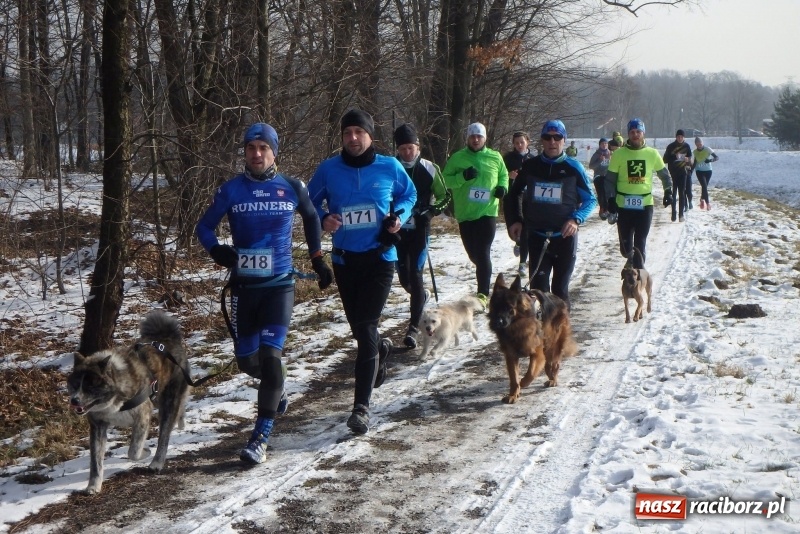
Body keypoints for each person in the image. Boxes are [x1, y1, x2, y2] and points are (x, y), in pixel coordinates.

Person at [196, 122, 334, 464]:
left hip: (279, 287)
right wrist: (217, 251)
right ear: (244, 152)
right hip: (245, 288)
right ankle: (277, 385)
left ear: (274, 152)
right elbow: (203, 226)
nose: (257, 154)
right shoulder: (231, 190)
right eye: (251, 148)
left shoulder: (291, 186)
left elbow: (312, 217)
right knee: (247, 362)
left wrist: (318, 260)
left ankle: (260, 437)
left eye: (264, 148)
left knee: (271, 359)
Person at [307, 110, 416, 435]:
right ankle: (380, 348)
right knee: (363, 333)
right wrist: (324, 217)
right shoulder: (329, 169)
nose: (353, 138)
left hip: (381, 258)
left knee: (366, 325)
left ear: (371, 135)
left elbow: (409, 194)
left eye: (359, 132)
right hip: (345, 262)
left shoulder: (389, 166)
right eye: (347, 132)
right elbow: (308, 204)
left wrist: (399, 214)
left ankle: (361, 408)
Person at [504, 120, 596, 310]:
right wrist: (516, 220)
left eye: (557, 138)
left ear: (564, 140)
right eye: (547, 137)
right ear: (541, 141)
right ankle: (544, 337)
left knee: (560, 291)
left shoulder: (574, 168)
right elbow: (514, 193)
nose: (552, 142)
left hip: (564, 238)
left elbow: (590, 200)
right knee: (539, 292)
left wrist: (576, 219)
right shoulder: (531, 166)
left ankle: (561, 336)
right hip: (537, 237)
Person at [393, 123, 450, 349]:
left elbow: (445, 196)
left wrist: (431, 211)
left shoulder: (429, 167)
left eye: (411, 148)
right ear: (398, 149)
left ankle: (413, 328)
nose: (408, 153)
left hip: (420, 228)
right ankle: (421, 296)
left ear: (418, 147)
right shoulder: (392, 167)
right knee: (404, 278)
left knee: (415, 275)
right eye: (403, 148)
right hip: (396, 229)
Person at [442, 122, 509, 307]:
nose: (476, 139)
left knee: (483, 251)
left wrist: (503, 187)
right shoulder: (457, 158)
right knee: (474, 255)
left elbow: (503, 175)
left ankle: (482, 294)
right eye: (472, 136)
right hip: (465, 214)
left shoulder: (495, 157)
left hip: (487, 212)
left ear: (485, 138)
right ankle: (483, 277)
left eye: (479, 136)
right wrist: (462, 177)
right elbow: (444, 181)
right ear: (468, 138)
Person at [604, 118, 673, 269]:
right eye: (632, 132)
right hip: (623, 205)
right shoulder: (619, 154)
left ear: (643, 133)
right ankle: (630, 260)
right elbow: (609, 180)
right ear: (628, 134)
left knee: (640, 243)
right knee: (626, 248)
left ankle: (638, 279)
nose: (635, 135)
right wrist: (610, 199)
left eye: (638, 132)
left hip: (645, 205)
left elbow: (664, 175)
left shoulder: (652, 153)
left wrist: (668, 191)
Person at [503, 131, 535, 275]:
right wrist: (509, 177)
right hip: (513, 197)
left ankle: (522, 263)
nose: (519, 145)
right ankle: (518, 242)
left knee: (526, 230)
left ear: (527, 142)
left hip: (529, 198)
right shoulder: (508, 159)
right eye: (516, 143)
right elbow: (499, 176)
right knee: (516, 229)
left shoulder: (534, 160)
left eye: (522, 142)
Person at [663, 129, 694, 222]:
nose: (680, 138)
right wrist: (674, 157)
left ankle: (681, 215)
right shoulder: (671, 146)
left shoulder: (687, 146)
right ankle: (673, 213)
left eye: (681, 137)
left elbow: (691, 161)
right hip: (673, 173)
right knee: (673, 193)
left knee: (682, 193)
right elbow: (664, 160)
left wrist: (688, 160)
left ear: (684, 137)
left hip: (683, 172)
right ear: (676, 137)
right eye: (678, 136)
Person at [691, 136, 719, 210]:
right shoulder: (694, 152)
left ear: (702, 143)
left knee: (704, 186)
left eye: (700, 144)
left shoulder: (708, 149)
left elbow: (717, 157)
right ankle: (708, 204)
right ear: (695, 145)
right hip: (699, 171)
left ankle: (702, 199)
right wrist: (690, 171)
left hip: (708, 171)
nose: (699, 146)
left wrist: (710, 160)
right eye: (697, 145)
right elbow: (695, 162)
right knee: (704, 185)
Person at [588, 138, 611, 219]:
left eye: (606, 143)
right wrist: (599, 161)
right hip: (598, 176)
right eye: (603, 143)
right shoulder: (597, 154)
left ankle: (607, 209)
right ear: (600, 145)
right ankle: (602, 209)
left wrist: (611, 159)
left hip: (607, 176)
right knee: (601, 193)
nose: (604, 145)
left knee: (608, 193)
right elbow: (591, 166)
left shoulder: (609, 153)